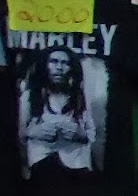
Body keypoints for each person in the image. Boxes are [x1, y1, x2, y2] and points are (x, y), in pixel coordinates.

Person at [21, 47, 93, 176]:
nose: (59, 67)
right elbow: (17, 134)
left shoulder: (81, 98)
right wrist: (33, 132)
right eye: (53, 62)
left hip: (75, 167)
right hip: (40, 165)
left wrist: (79, 133)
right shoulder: (30, 97)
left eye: (65, 63)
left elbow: (94, 136)